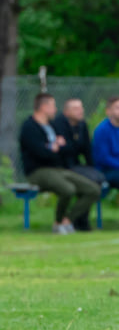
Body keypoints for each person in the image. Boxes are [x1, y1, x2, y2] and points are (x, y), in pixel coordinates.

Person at [20, 93, 101, 234]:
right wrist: (54, 148)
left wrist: (55, 147)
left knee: (93, 190)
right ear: (44, 107)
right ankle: (58, 223)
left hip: (58, 169)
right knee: (68, 189)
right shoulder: (29, 127)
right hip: (38, 171)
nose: (55, 109)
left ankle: (67, 221)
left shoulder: (52, 126)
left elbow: (65, 148)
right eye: (53, 106)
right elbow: (40, 152)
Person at [52, 98, 103, 230]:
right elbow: (60, 150)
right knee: (87, 181)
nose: (81, 111)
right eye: (76, 108)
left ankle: (81, 219)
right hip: (61, 166)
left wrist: (92, 169)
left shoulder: (82, 125)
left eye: (81, 108)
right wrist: (68, 146)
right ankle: (73, 220)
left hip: (76, 165)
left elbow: (86, 149)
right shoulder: (57, 124)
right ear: (66, 112)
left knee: (95, 178)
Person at [92, 96, 119, 190]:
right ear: (108, 111)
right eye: (117, 107)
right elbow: (103, 158)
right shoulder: (102, 130)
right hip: (105, 171)